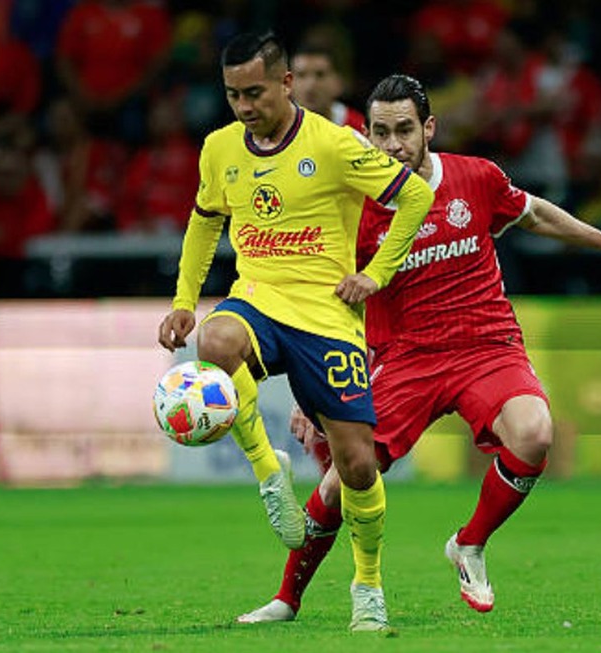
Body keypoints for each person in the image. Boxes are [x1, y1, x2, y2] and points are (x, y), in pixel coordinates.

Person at [236, 74, 601, 623]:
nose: (392, 145)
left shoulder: (475, 178)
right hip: (405, 359)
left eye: (404, 130)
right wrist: (310, 393)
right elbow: (330, 307)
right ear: (365, 135)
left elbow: (534, 212)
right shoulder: (353, 210)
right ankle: (287, 598)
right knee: (348, 476)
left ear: (428, 129)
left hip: (486, 346)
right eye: (379, 133)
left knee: (535, 433)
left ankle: (469, 543)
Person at [156, 34, 435, 632]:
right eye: (232, 95)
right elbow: (205, 223)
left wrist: (376, 274)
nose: (243, 106)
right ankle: (269, 471)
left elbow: (414, 195)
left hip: (327, 317)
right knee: (213, 343)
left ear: (285, 84)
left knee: (358, 465)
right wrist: (184, 301)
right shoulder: (219, 149)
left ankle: (368, 585)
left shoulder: (336, 145)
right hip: (257, 298)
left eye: (254, 92)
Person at [290, 42, 366, 133]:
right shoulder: (276, 127)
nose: (310, 85)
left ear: (338, 82)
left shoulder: (360, 128)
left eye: (320, 75)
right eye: (301, 75)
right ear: (287, 83)